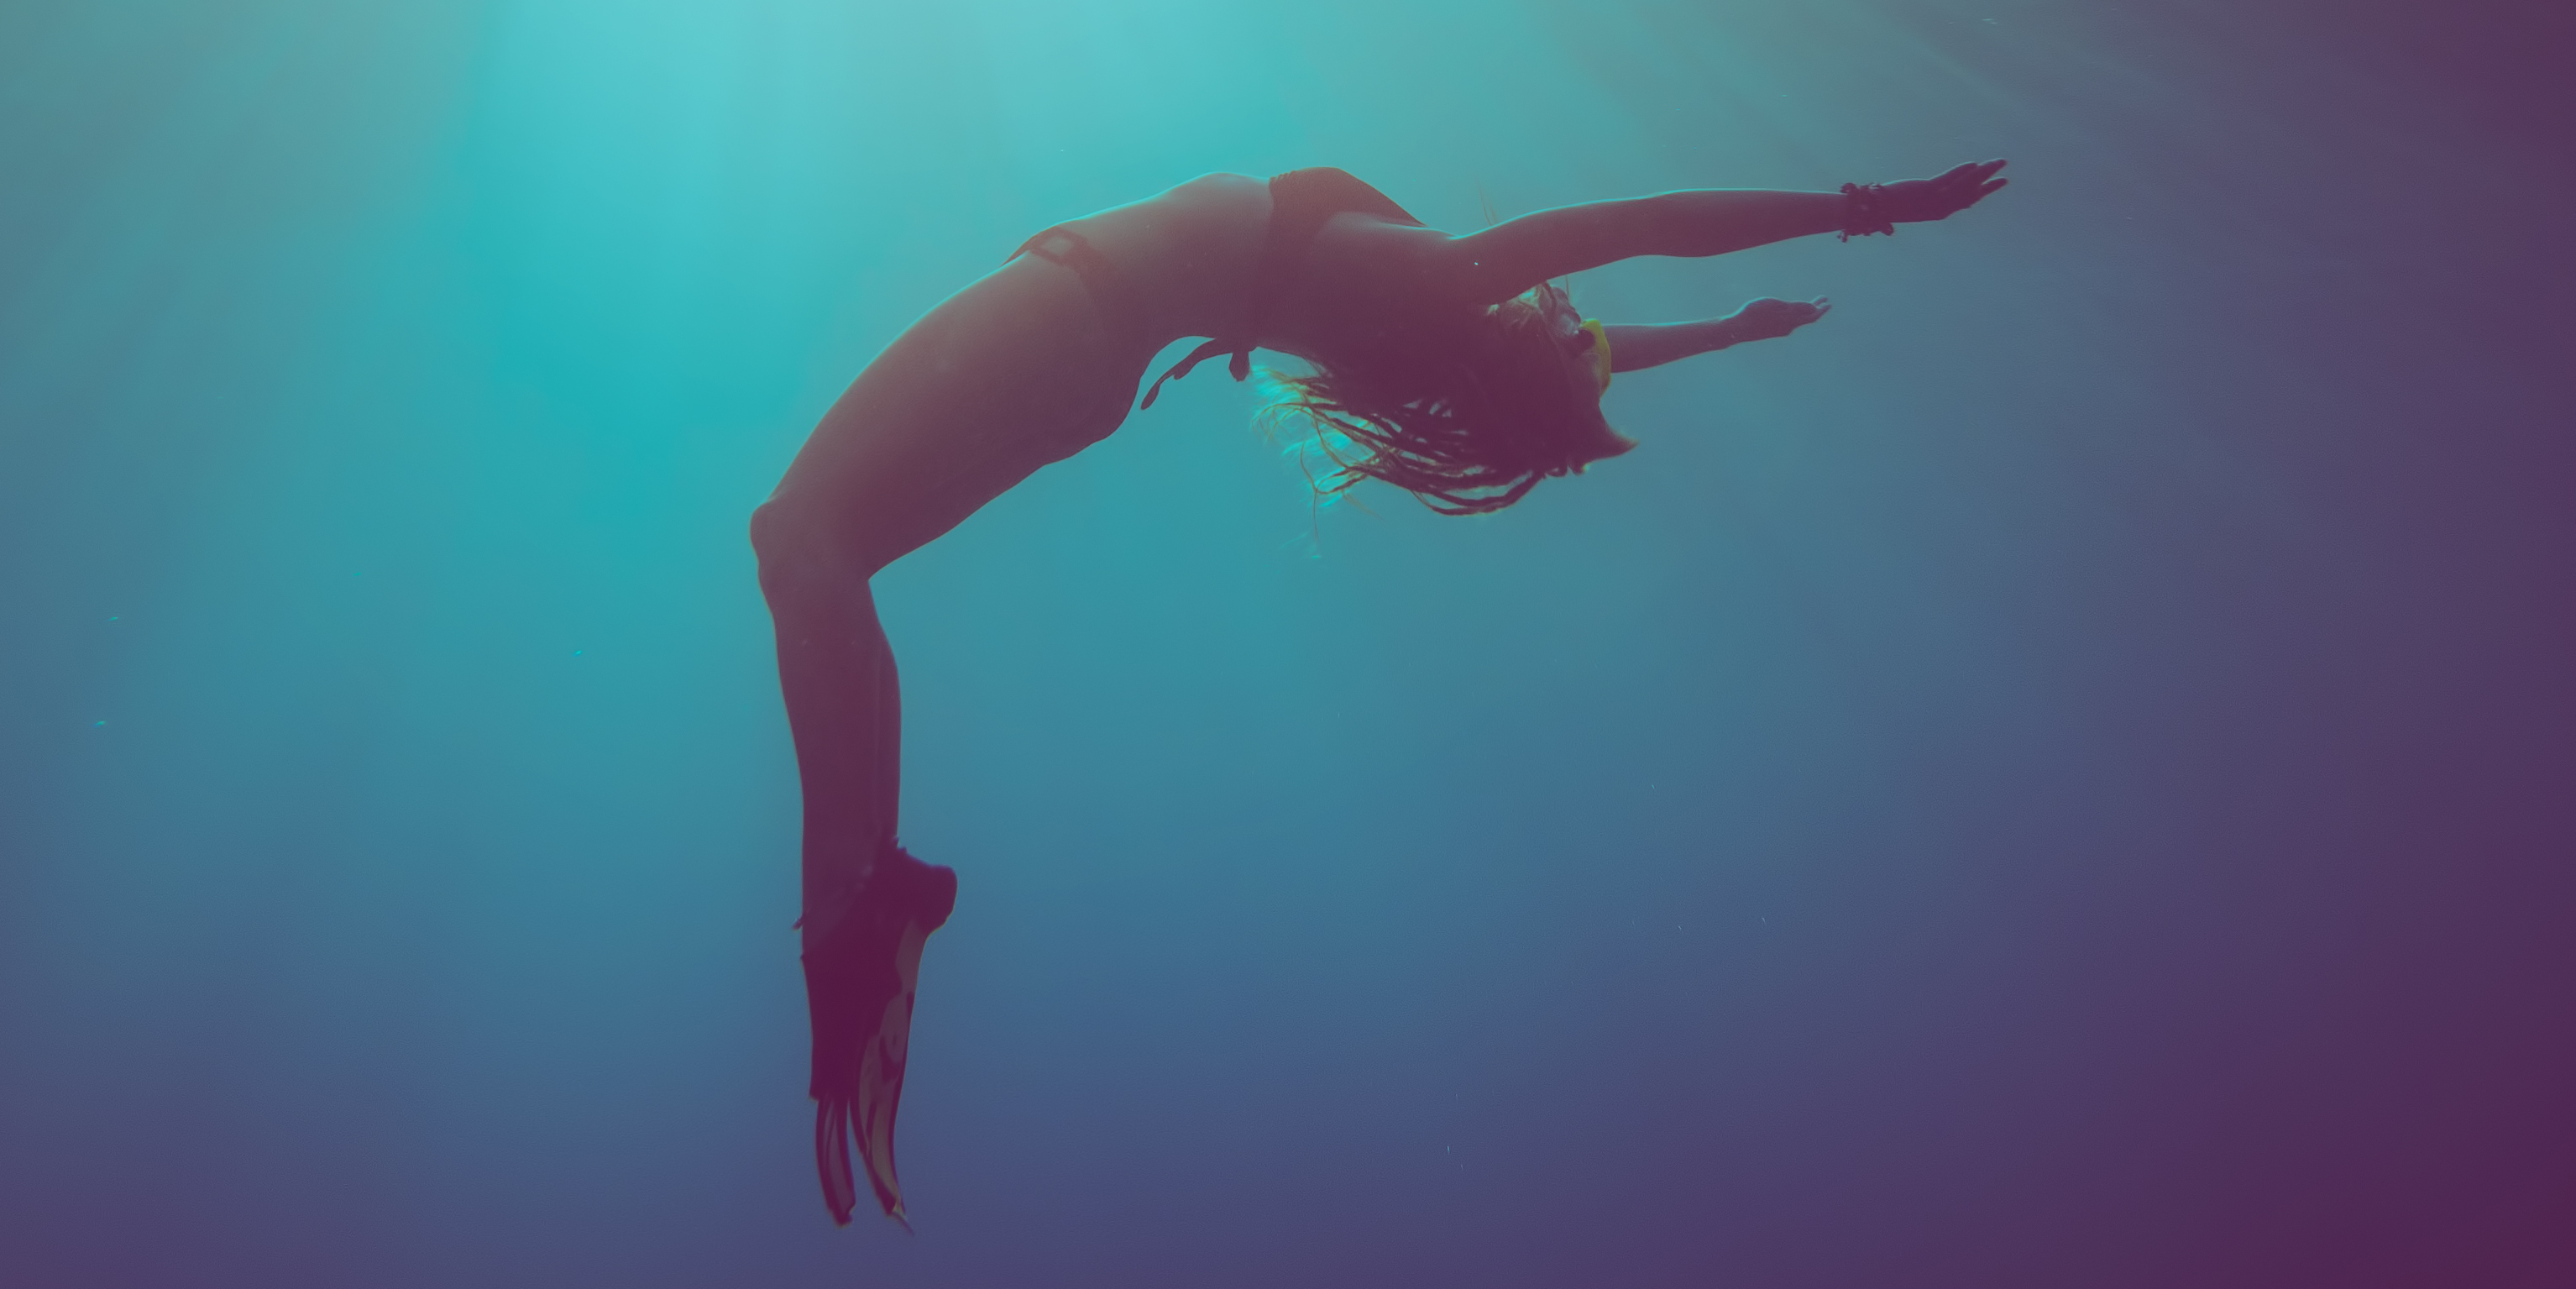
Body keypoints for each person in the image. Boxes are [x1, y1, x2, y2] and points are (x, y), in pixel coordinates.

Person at [748, 159, 2009, 1224]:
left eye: (1576, 339)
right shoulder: (1433, 322)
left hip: (1082, 309)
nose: (1587, 325)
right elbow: (1610, 345)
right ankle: (874, 904)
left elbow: (1644, 227)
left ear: (1527, 346)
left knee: (802, 540)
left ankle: (850, 927)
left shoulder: (1452, 284)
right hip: (1093, 348)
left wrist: (1865, 204)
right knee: (828, 563)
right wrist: (1730, 331)